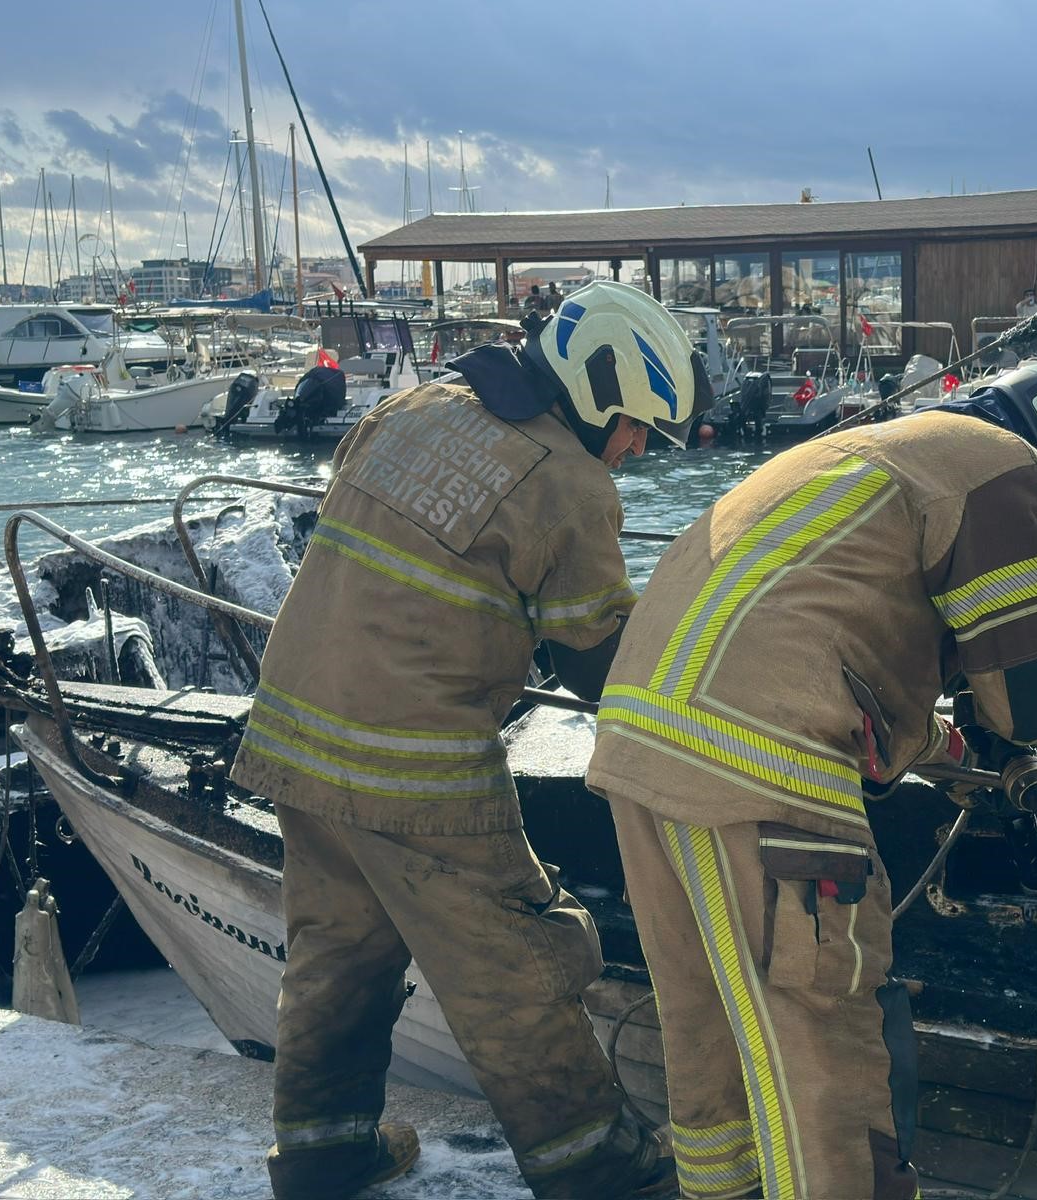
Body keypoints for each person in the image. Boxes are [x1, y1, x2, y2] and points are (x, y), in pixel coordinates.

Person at [585, 364, 1037, 1199]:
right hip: (759, 767)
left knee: (708, 1031)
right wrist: (1008, 733)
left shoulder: (868, 456)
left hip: (641, 743)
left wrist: (949, 750)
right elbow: (1036, 689)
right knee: (826, 1051)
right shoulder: (1001, 465)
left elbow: (824, 651)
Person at [232, 280, 709, 1200]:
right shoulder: (569, 482)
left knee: (338, 952)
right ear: (600, 391)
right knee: (513, 965)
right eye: (638, 427)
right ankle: (595, 1167)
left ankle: (322, 1155)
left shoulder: (413, 408)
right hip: (416, 764)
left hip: (295, 730)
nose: (639, 449)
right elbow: (599, 665)